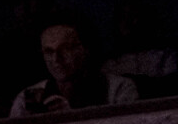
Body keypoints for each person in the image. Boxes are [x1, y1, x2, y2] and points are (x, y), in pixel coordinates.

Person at [9, 23, 139, 117]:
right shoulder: (27, 97)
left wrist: (72, 117)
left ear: (85, 50)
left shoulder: (118, 89)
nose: (56, 59)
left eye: (66, 49)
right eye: (49, 52)